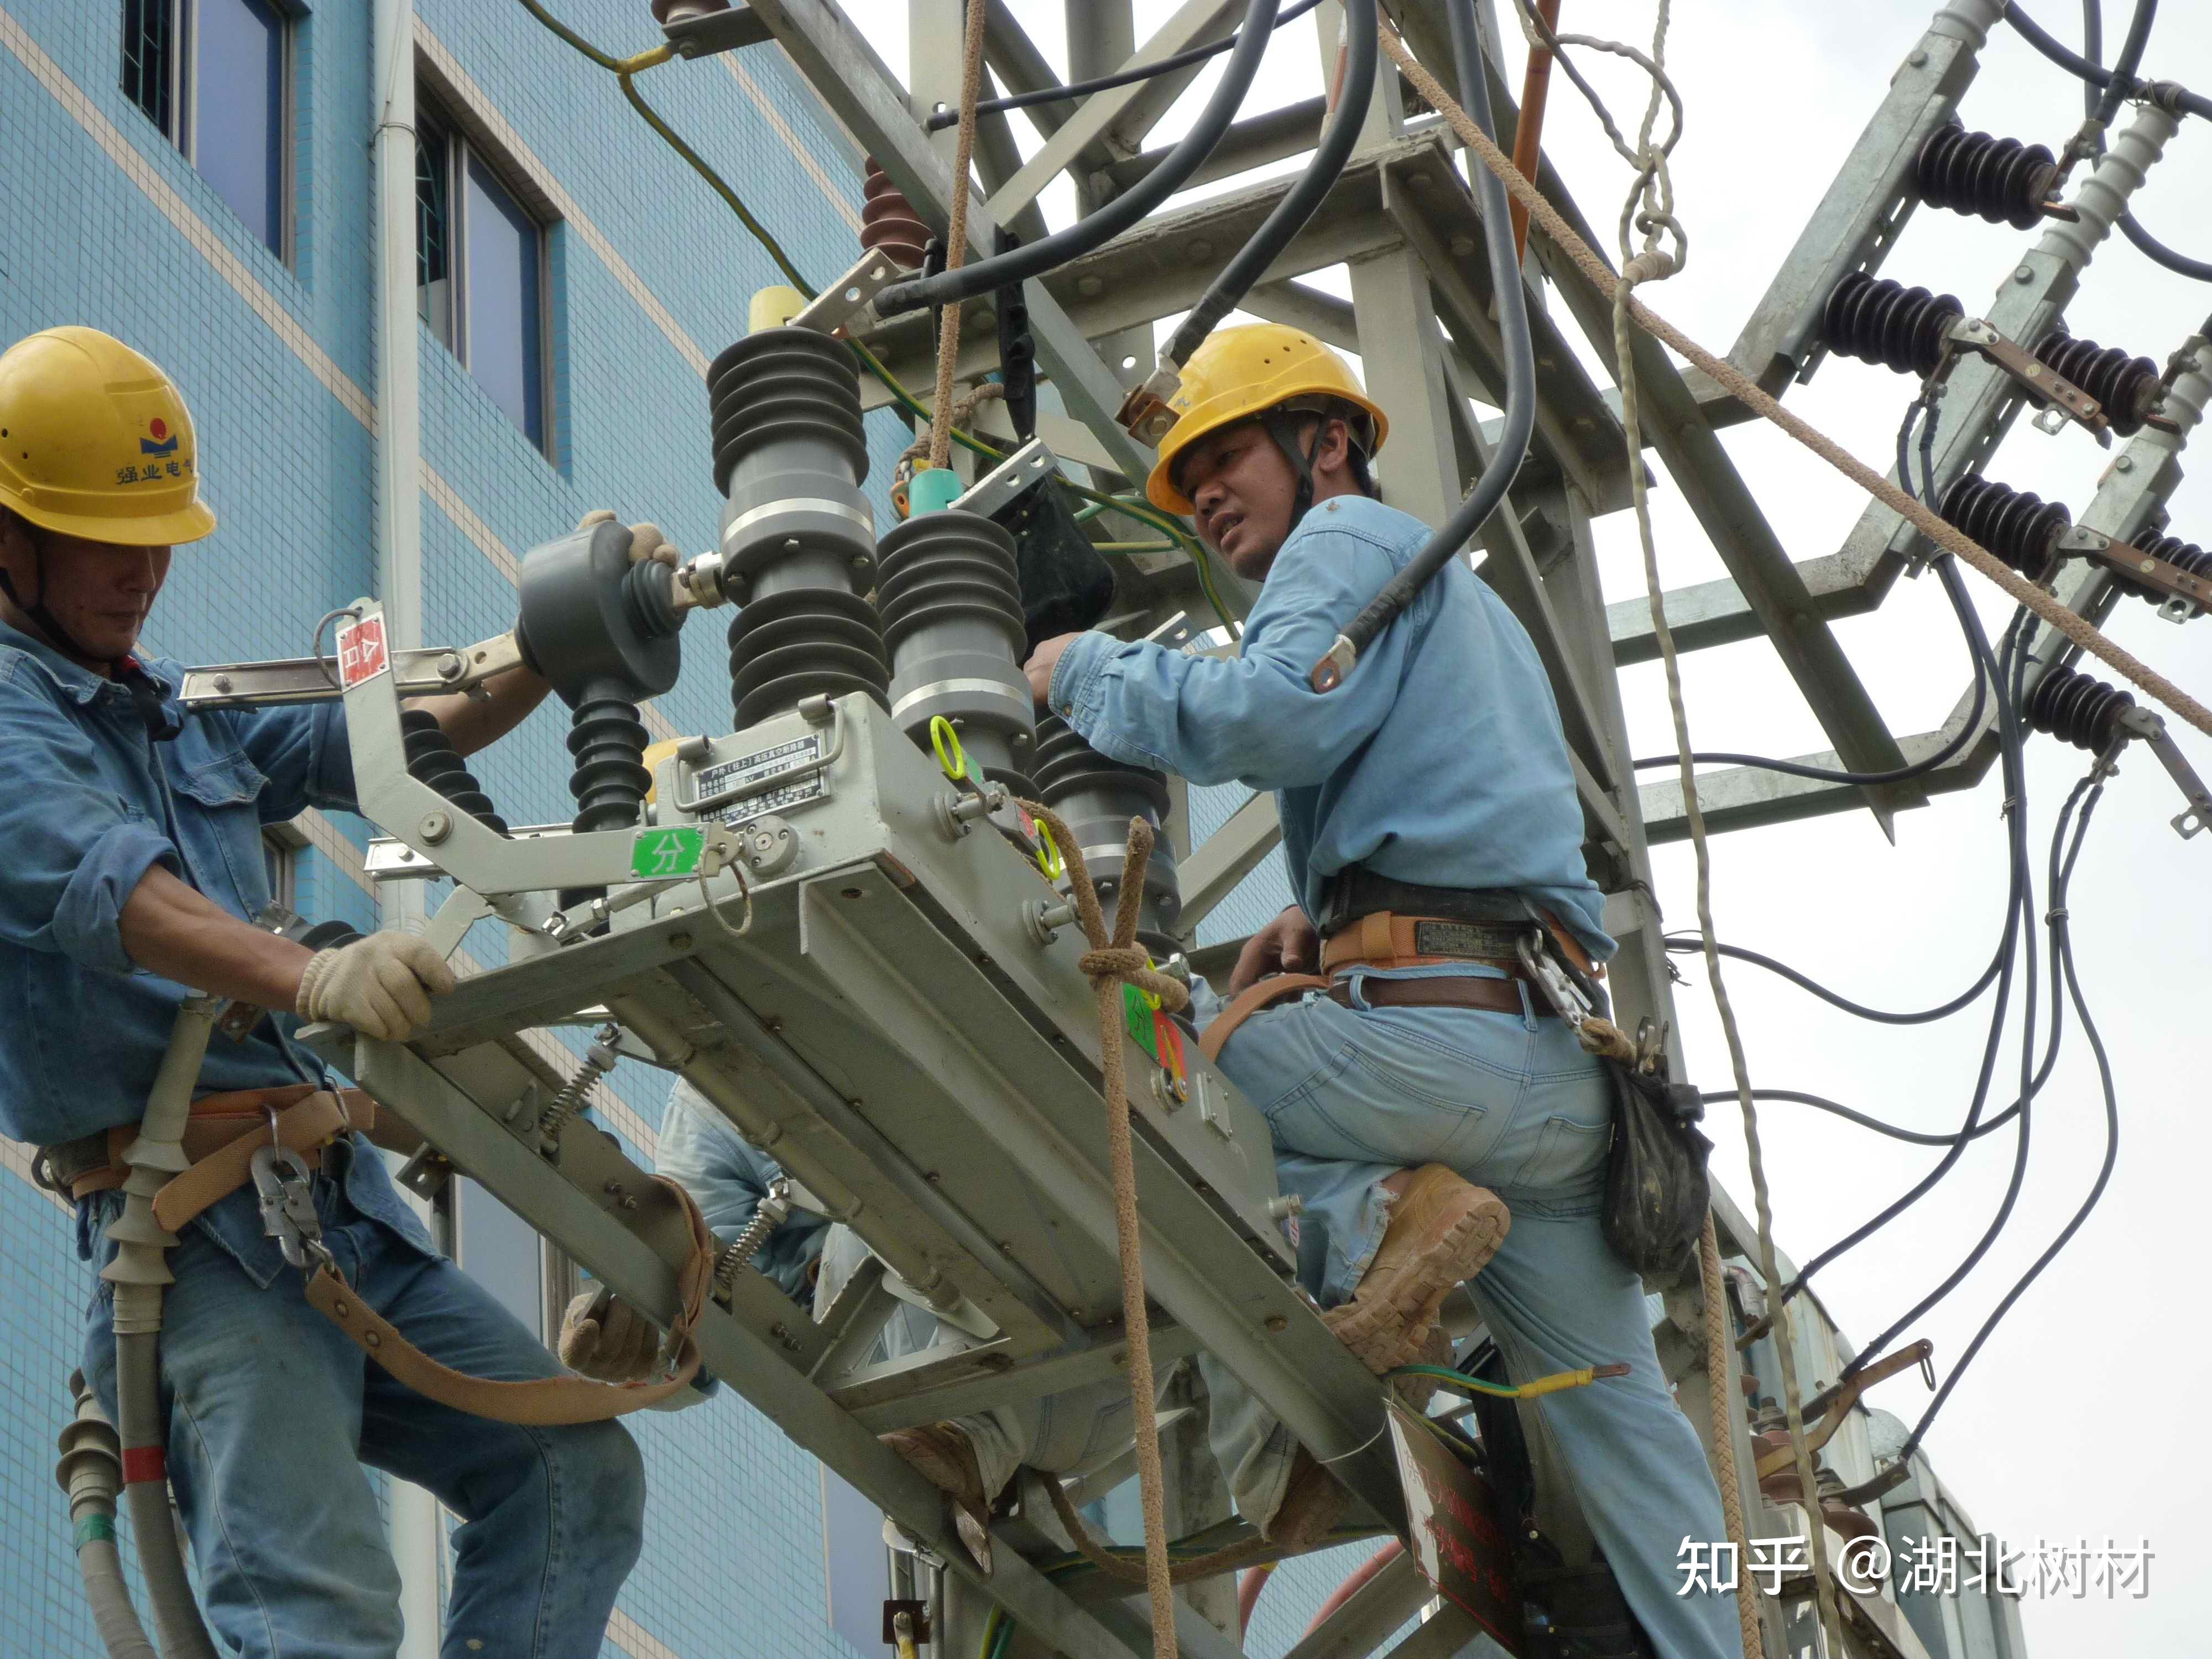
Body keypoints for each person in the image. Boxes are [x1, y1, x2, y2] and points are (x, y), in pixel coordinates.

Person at [1018, 325, 1742, 1656]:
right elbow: (1474, 821)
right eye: (1187, 481)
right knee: (1628, 1426)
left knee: (1155, 1077)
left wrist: (1079, 671)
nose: (1206, 493)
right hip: (1554, 1081)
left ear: (1327, 443)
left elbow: (1268, 716)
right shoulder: (1472, 613)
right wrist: (1323, 916)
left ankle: (1364, 1247)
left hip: (1436, 1067)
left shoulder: (1345, 543)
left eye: (1224, 454)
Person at [0, 326, 649, 1659]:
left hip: (332, 1213)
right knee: (320, 1618)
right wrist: (317, 973)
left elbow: (397, 741)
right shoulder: (10, 722)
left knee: (574, 1469)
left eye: (159, 536)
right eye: (109, 541)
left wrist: (556, 639)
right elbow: (121, 895)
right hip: (195, 1245)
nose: (147, 574)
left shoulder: (178, 711)